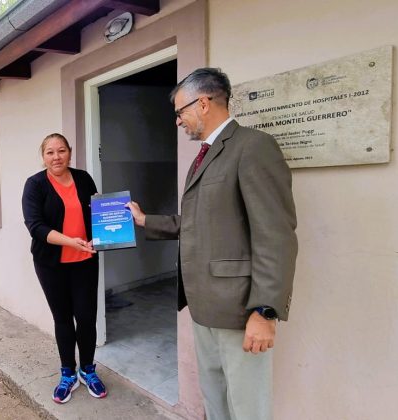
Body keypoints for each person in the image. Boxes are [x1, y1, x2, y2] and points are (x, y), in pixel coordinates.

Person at [126, 68, 298, 420]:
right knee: (215, 395)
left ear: (203, 103)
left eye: (180, 112)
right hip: (203, 305)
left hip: (239, 308)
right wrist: (145, 221)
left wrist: (265, 310)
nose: (178, 121)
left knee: (247, 404)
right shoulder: (204, 156)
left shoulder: (252, 147)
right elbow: (195, 223)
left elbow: (275, 234)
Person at [21, 133, 107, 404]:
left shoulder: (83, 178)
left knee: (86, 317)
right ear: (43, 156)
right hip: (51, 264)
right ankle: (68, 373)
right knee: (63, 318)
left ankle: (88, 370)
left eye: (61, 151)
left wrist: (109, 221)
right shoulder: (34, 185)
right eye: (50, 152)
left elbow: (97, 211)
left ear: (70, 152)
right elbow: (35, 227)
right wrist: (70, 241)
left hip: (85, 261)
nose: (56, 157)